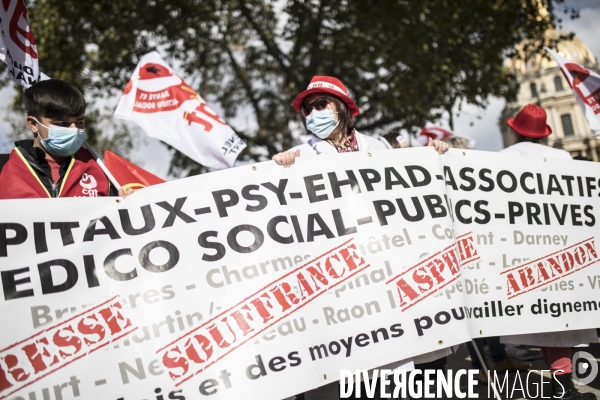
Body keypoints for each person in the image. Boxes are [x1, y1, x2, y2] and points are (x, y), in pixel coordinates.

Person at [500, 103, 597, 400]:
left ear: (515, 131)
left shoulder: (501, 158)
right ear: (542, 135)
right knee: (566, 317)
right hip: (565, 247)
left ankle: (563, 383)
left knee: (547, 319)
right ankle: (566, 381)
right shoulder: (563, 157)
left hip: (523, 249)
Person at [272, 75, 448, 166]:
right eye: (307, 109)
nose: (313, 113)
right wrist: (281, 167)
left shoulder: (379, 147)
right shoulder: (298, 156)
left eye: (320, 104)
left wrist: (433, 156)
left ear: (341, 106)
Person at [0, 79, 131, 199]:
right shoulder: (5, 167)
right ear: (33, 124)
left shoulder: (102, 173)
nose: (73, 130)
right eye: (62, 124)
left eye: (79, 123)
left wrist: (130, 206)